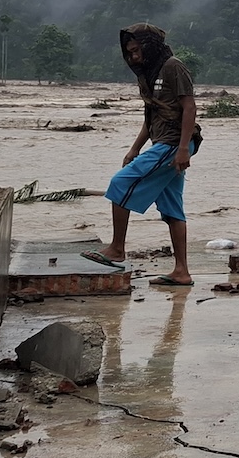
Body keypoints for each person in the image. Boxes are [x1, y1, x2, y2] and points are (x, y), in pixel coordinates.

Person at [83, 23, 201, 286]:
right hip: (164, 143)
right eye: (130, 52)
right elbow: (152, 116)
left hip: (173, 144)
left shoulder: (173, 67)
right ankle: (182, 272)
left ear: (150, 46)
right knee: (172, 207)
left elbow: (189, 107)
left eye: (137, 50)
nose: (134, 56)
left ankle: (117, 249)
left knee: (119, 183)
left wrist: (183, 148)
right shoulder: (149, 73)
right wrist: (135, 148)